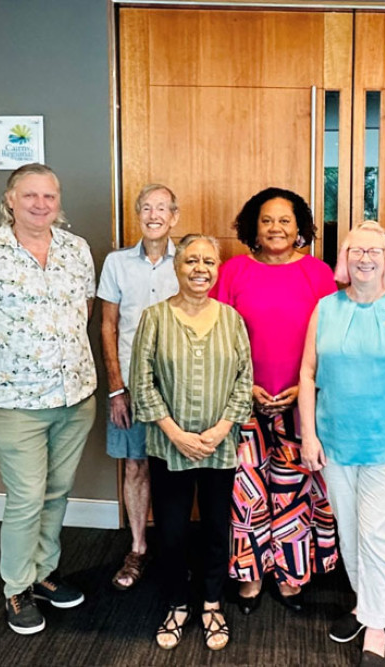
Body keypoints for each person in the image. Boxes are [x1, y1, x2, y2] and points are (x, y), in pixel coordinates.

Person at [0, 163, 97, 635]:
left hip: (75, 395)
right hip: (14, 399)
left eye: (49, 196)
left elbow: (83, 313)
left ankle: (43, 575)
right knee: (26, 497)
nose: (40, 204)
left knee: (56, 493)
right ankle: (16, 588)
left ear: (59, 201)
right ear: (11, 199)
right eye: (30, 195)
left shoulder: (77, 251)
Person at [300, 221, 385, 665]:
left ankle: (376, 624)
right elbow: (306, 375)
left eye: (373, 251)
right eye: (355, 250)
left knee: (377, 535)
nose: (364, 258)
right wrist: (309, 435)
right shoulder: (326, 308)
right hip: (336, 442)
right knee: (350, 532)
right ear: (344, 259)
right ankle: (364, 604)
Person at [213, 187, 338, 614]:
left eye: (285, 220)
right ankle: (249, 577)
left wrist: (305, 388)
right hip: (242, 401)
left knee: (292, 494)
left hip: (303, 403)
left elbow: (334, 341)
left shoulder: (318, 274)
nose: (276, 228)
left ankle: (290, 576)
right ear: (253, 226)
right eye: (267, 220)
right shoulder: (232, 272)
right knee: (245, 494)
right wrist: (245, 387)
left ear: (299, 227)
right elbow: (217, 338)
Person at [130, 234, 253, 652]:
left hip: (220, 445)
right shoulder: (154, 318)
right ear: (176, 267)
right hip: (169, 446)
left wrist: (221, 429)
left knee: (218, 529)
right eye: (191, 261)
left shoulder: (232, 319)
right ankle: (176, 603)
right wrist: (175, 433)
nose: (201, 269)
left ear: (218, 269)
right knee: (171, 531)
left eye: (209, 262)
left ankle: (213, 603)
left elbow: (244, 381)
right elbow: (141, 381)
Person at [98, 183, 180, 591]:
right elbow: (108, 326)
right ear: (138, 214)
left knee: (176, 469)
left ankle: (174, 547)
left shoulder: (188, 262)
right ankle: (138, 548)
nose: (154, 215)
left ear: (174, 217)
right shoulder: (116, 263)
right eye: (147, 207)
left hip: (177, 388)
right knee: (135, 465)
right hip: (129, 385)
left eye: (162, 208)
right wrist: (116, 388)